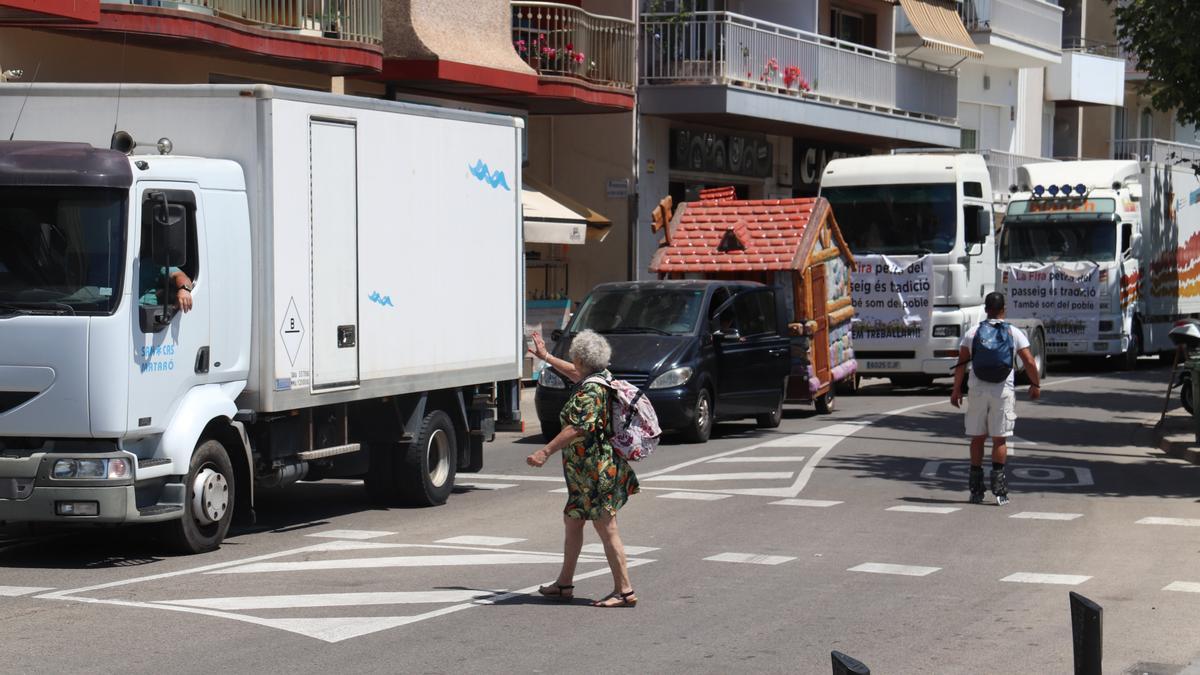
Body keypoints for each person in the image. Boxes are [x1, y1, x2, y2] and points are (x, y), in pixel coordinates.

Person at [526, 329, 640, 608]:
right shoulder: (600, 378)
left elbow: (577, 427)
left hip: (596, 469)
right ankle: (564, 583)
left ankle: (624, 591)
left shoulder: (591, 389)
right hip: (586, 470)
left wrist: (545, 451)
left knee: (606, 525)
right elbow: (575, 373)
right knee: (574, 520)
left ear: (579, 357)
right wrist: (547, 357)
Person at [950, 292, 1041, 505]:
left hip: (978, 389)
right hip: (1002, 390)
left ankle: (975, 489)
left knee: (977, 437)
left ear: (985, 309)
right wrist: (1035, 384)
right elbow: (1028, 361)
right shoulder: (1013, 332)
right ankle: (999, 489)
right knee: (1000, 438)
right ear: (1003, 310)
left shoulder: (973, 333)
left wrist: (956, 390)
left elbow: (961, 363)